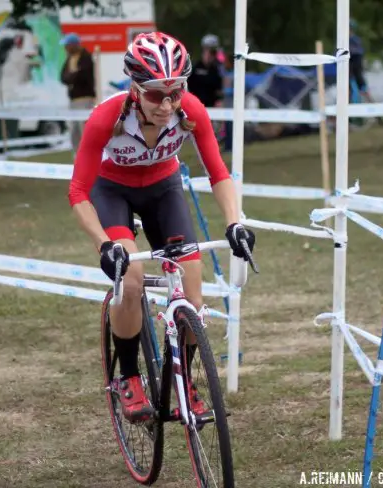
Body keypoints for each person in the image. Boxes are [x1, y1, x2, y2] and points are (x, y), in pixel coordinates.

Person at [67, 32, 255, 422]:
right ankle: (129, 377)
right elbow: (79, 191)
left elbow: (218, 173)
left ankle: (186, 383)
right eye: (156, 94)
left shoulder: (192, 111)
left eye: (176, 92)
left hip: (163, 190)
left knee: (193, 297)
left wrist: (235, 221)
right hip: (112, 192)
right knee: (131, 282)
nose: (168, 105)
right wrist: (105, 245)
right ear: (134, 88)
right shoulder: (106, 117)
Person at [60, 33, 96, 157]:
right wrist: (72, 76)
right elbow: (63, 77)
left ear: (73, 45)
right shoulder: (70, 59)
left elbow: (82, 76)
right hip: (73, 99)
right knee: (73, 128)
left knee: (83, 127)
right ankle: (77, 154)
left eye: (67, 45)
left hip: (84, 97)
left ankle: (87, 155)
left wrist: (72, 76)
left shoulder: (85, 57)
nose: (65, 48)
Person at [187, 34, 224, 108]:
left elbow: (218, 90)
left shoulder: (216, 69)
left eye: (213, 52)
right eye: (208, 50)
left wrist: (219, 101)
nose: (211, 55)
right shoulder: (195, 67)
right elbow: (187, 87)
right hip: (195, 105)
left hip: (211, 107)